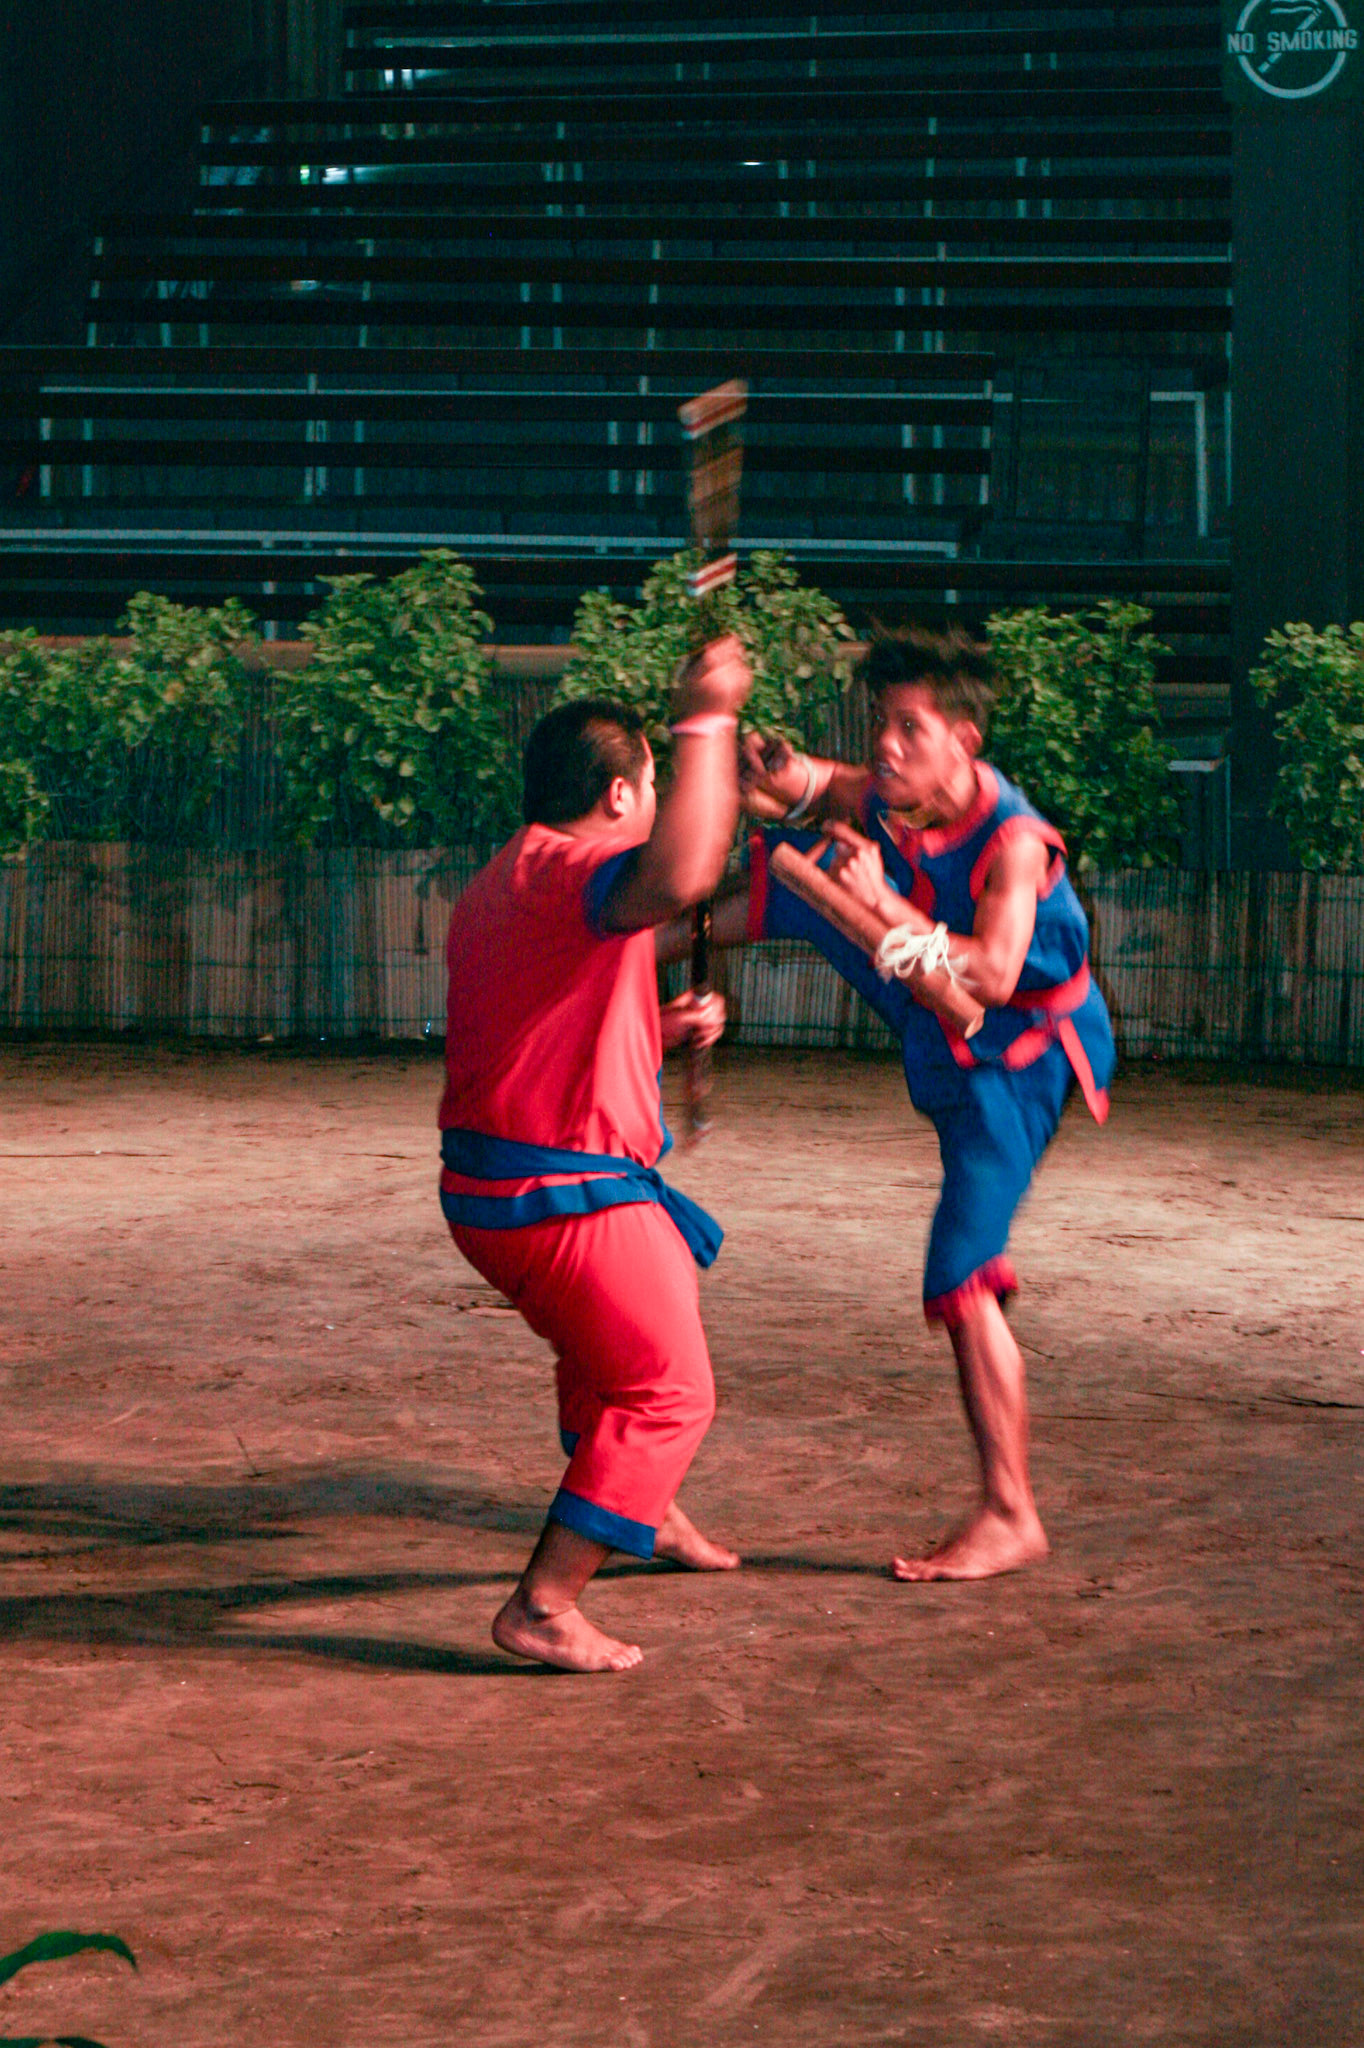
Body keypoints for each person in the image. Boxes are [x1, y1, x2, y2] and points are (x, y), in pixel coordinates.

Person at [692, 623, 1115, 1582]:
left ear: (964, 741)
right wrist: (779, 769)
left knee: (962, 1273)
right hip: (937, 1004)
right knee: (798, 861)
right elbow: (826, 787)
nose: (887, 745)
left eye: (909, 729)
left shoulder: (1013, 842)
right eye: (883, 723)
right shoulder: (905, 788)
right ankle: (645, 944)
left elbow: (999, 973)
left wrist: (889, 908)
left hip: (1019, 1059)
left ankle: (1012, 1512)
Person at [439, 637, 751, 1673]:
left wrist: (656, 1031)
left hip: (511, 1183)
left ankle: (642, 1508)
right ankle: (543, 1600)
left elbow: (533, 1029)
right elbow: (686, 874)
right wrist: (706, 714)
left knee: (609, 1353)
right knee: (665, 1389)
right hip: (554, 1190)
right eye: (654, 782)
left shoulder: (507, 882)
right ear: (618, 796)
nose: (659, 800)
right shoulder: (564, 871)